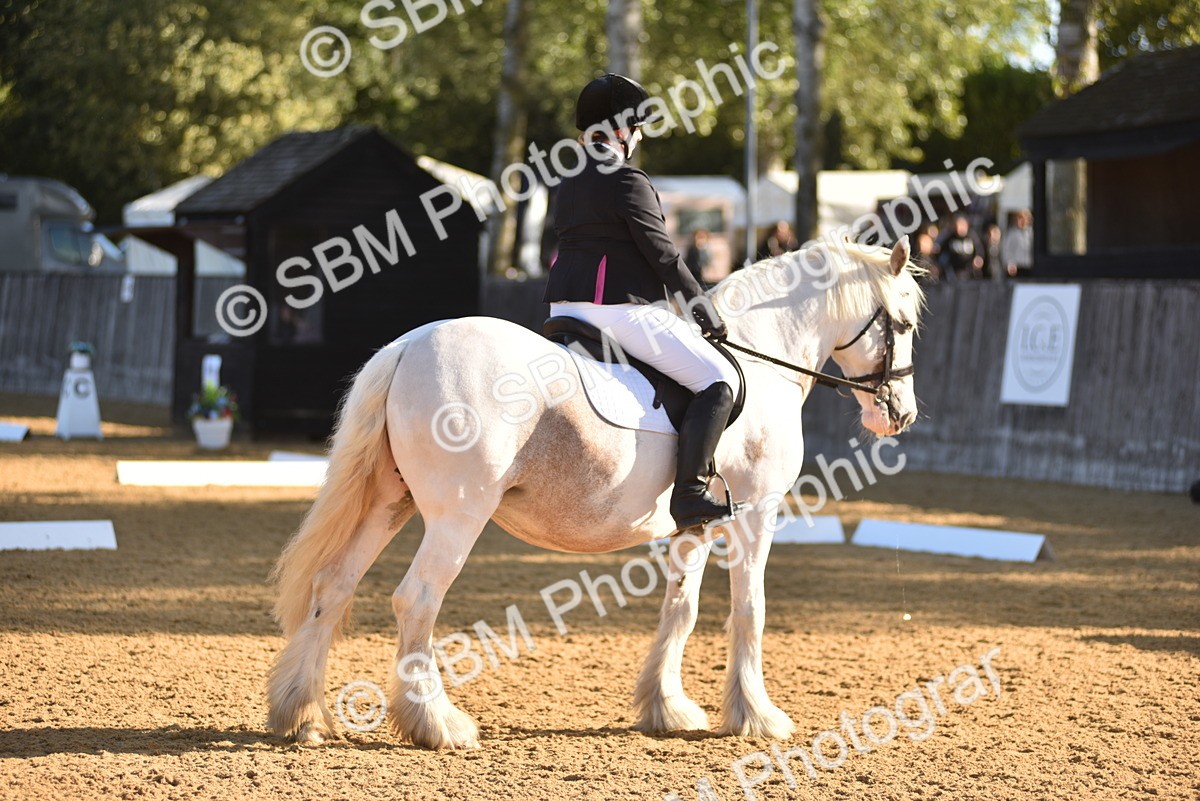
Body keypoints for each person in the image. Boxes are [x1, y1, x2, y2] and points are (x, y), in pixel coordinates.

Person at [542, 73, 741, 532]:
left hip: (561, 312)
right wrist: (702, 308)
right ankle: (690, 494)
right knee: (718, 380)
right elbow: (663, 254)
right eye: (637, 127)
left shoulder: (568, 179)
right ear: (620, 130)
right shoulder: (628, 180)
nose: (639, 136)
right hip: (617, 312)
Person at [936, 214, 983, 280]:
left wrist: (978, 258)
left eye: (962, 225)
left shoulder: (972, 236)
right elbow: (942, 251)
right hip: (954, 271)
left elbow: (979, 249)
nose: (960, 228)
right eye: (958, 225)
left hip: (969, 270)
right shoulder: (950, 238)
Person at [1002, 210, 1033, 278]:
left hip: (1029, 265)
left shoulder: (1031, 233)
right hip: (1017, 266)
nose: (1022, 221)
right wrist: (1010, 263)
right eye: (1020, 218)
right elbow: (1007, 250)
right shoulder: (1012, 233)